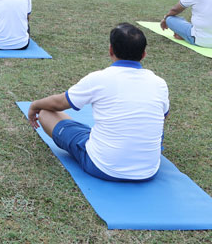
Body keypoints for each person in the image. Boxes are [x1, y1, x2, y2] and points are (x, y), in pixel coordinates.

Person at [27, 24, 169, 182]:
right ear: (143, 54)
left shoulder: (99, 79)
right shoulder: (160, 83)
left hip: (101, 167)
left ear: (110, 50)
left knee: (45, 112)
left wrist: (35, 105)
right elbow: (162, 117)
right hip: (148, 170)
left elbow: (58, 103)